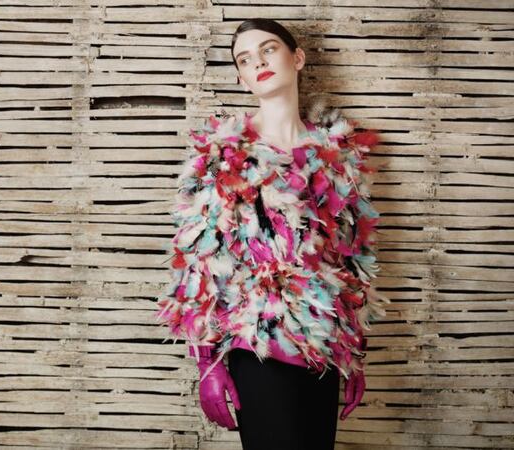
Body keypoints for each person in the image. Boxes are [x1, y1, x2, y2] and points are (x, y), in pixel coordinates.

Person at [155, 18, 390, 450]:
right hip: (257, 344)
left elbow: (353, 257)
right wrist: (207, 363)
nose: (259, 63)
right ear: (242, 79)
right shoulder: (223, 154)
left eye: (268, 50)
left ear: (297, 58)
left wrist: (355, 350)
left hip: (324, 344)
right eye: (245, 60)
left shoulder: (338, 154)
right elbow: (199, 264)